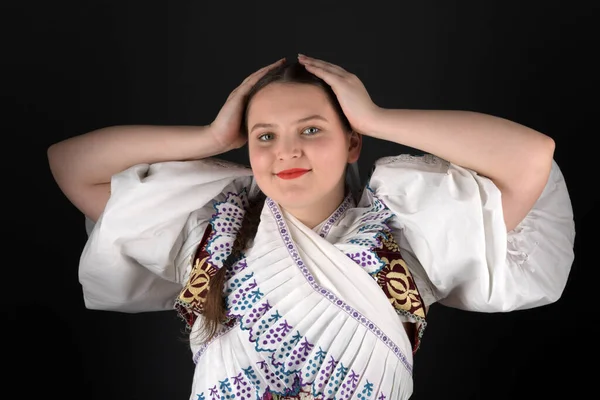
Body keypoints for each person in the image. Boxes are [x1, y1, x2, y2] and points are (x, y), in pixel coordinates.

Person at [47, 55, 575, 400]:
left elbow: (531, 159)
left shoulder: (407, 238)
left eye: (312, 129)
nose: (287, 151)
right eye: (265, 136)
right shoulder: (209, 232)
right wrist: (211, 137)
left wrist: (375, 117)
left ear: (352, 143)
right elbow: (71, 166)